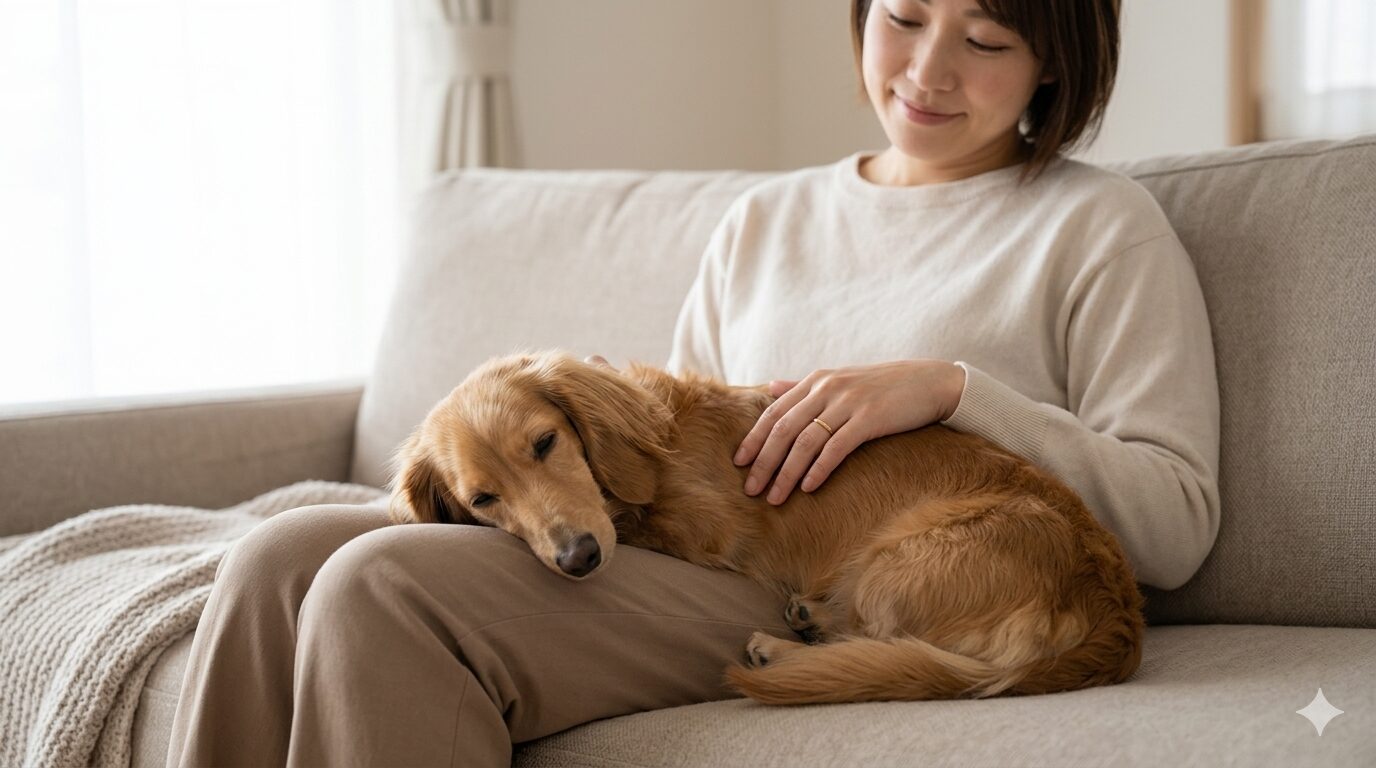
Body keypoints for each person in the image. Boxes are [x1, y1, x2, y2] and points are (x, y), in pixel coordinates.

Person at [166, 0, 1219, 765]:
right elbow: (661, 462)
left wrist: (951, 389)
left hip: (802, 586)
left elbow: (1173, 526)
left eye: (985, 37)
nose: (926, 70)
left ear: (1053, 60)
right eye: (901, 16)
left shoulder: (1098, 226)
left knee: (372, 586)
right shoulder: (764, 221)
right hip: (701, 546)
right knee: (275, 559)